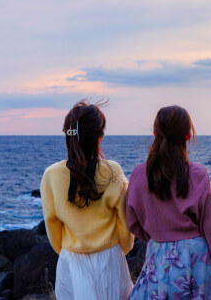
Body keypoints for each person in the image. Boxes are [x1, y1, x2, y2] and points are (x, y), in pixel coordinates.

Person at [126, 105, 211, 300]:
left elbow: (132, 221)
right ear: (188, 136)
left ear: (155, 133)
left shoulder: (139, 174)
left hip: (158, 252)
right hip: (196, 259)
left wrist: (158, 235)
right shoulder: (199, 174)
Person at [40, 100, 135, 300]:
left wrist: (65, 250)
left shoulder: (52, 175)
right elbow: (125, 220)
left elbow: (51, 221)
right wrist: (123, 248)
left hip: (71, 259)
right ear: (99, 138)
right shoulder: (113, 171)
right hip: (109, 258)